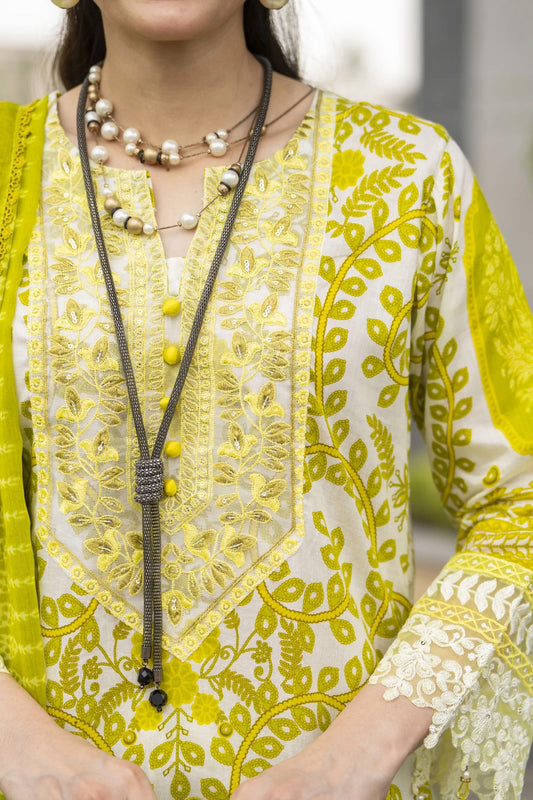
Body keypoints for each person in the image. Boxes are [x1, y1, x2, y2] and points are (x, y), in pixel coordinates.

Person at [0, 0, 532, 798]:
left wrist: (353, 755)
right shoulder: (8, 170)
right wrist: (18, 742)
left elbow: (517, 499)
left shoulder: (407, 176)